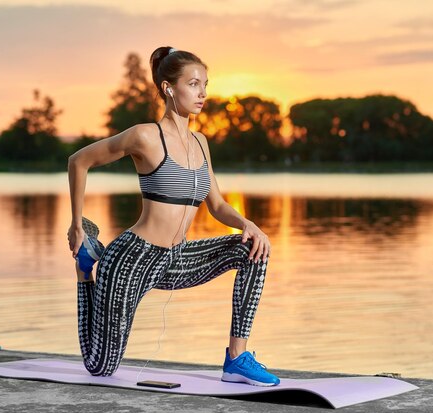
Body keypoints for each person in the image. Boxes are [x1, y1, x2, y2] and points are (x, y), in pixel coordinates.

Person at [67, 46, 280, 386]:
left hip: (176, 258)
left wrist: (248, 225)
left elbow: (218, 206)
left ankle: (237, 358)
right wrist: (77, 225)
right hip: (133, 259)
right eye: (194, 84)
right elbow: (79, 160)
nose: (203, 93)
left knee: (254, 249)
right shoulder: (145, 136)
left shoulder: (200, 142)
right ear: (168, 88)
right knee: (101, 367)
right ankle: (85, 268)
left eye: (205, 84)